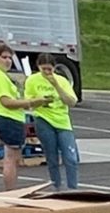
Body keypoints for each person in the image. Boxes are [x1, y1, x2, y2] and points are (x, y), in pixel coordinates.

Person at [23, 55, 79, 189]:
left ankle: (73, 187)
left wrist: (56, 86)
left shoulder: (62, 80)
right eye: (44, 69)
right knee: (51, 156)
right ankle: (56, 185)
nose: (47, 72)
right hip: (43, 118)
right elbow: (28, 103)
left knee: (70, 157)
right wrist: (40, 100)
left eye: (50, 69)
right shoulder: (32, 80)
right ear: (38, 67)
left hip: (62, 121)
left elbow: (72, 102)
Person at [0, 43, 34, 190]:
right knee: (11, 159)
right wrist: (29, 102)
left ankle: (11, 190)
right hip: (8, 119)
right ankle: (10, 191)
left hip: (11, 119)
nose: (8, 61)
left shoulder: (0, 75)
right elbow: (6, 101)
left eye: (10, 58)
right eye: (4, 57)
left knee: (13, 159)